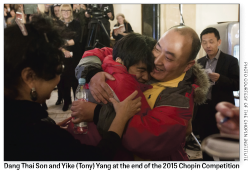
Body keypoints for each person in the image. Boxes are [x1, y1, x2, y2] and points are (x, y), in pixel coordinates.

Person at [3, 14, 142, 161]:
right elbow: (95, 159)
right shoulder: (34, 133)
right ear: (29, 77)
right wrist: (120, 118)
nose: (59, 79)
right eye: (57, 70)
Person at [71, 26, 210, 161]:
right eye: (157, 49)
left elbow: (144, 140)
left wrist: (97, 113)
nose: (156, 61)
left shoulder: (179, 100)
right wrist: (92, 73)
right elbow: (99, 52)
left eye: (168, 58)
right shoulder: (144, 57)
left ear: (187, 65)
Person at [193, 27, 240, 161]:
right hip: (204, 110)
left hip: (223, 111)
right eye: (204, 42)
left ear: (219, 42)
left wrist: (220, 79)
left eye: (211, 41)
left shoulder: (230, 61)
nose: (208, 46)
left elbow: (238, 84)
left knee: (225, 149)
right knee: (206, 148)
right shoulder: (200, 62)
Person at [57, 4, 82, 111]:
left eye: (68, 10)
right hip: (62, 55)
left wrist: (64, 43)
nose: (66, 13)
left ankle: (77, 102)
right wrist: (64, 49)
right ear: (61, 12)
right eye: (64, 11)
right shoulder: (57, 24)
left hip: (75, 55)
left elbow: (76, 40)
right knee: (64, 80)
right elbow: (56, 41)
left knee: (75, 79)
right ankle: (67, 101)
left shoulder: (76, 24)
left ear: (71, 12)